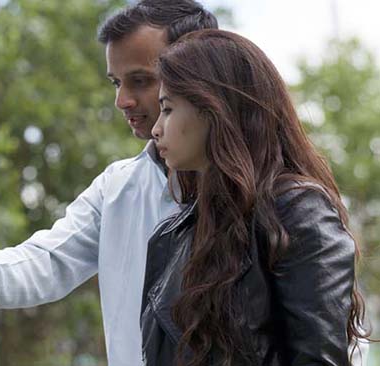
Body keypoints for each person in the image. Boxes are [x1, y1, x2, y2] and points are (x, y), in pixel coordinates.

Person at [0, 1, 217, 365]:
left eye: (141, 81)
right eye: (116, 83)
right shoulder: (118, 188)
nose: (121, 100)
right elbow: (46, 260)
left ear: (197, 73)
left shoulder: (265, 197)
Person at [141, 29, 370, 365]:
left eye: (168, 109)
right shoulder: (168, 238)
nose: (155, 129)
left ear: (214, 109)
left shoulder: (298, 212)